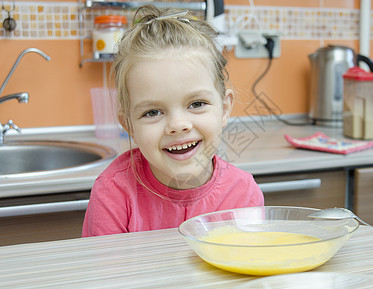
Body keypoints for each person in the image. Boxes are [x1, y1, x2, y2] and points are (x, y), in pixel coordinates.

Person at [82, 5, 264, 237]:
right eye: (153, 112)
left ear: (225, 109)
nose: (178, 125)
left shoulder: (243, 193)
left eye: (196, 104)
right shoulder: (114, 192)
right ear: (128, 126)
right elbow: (106, 273)